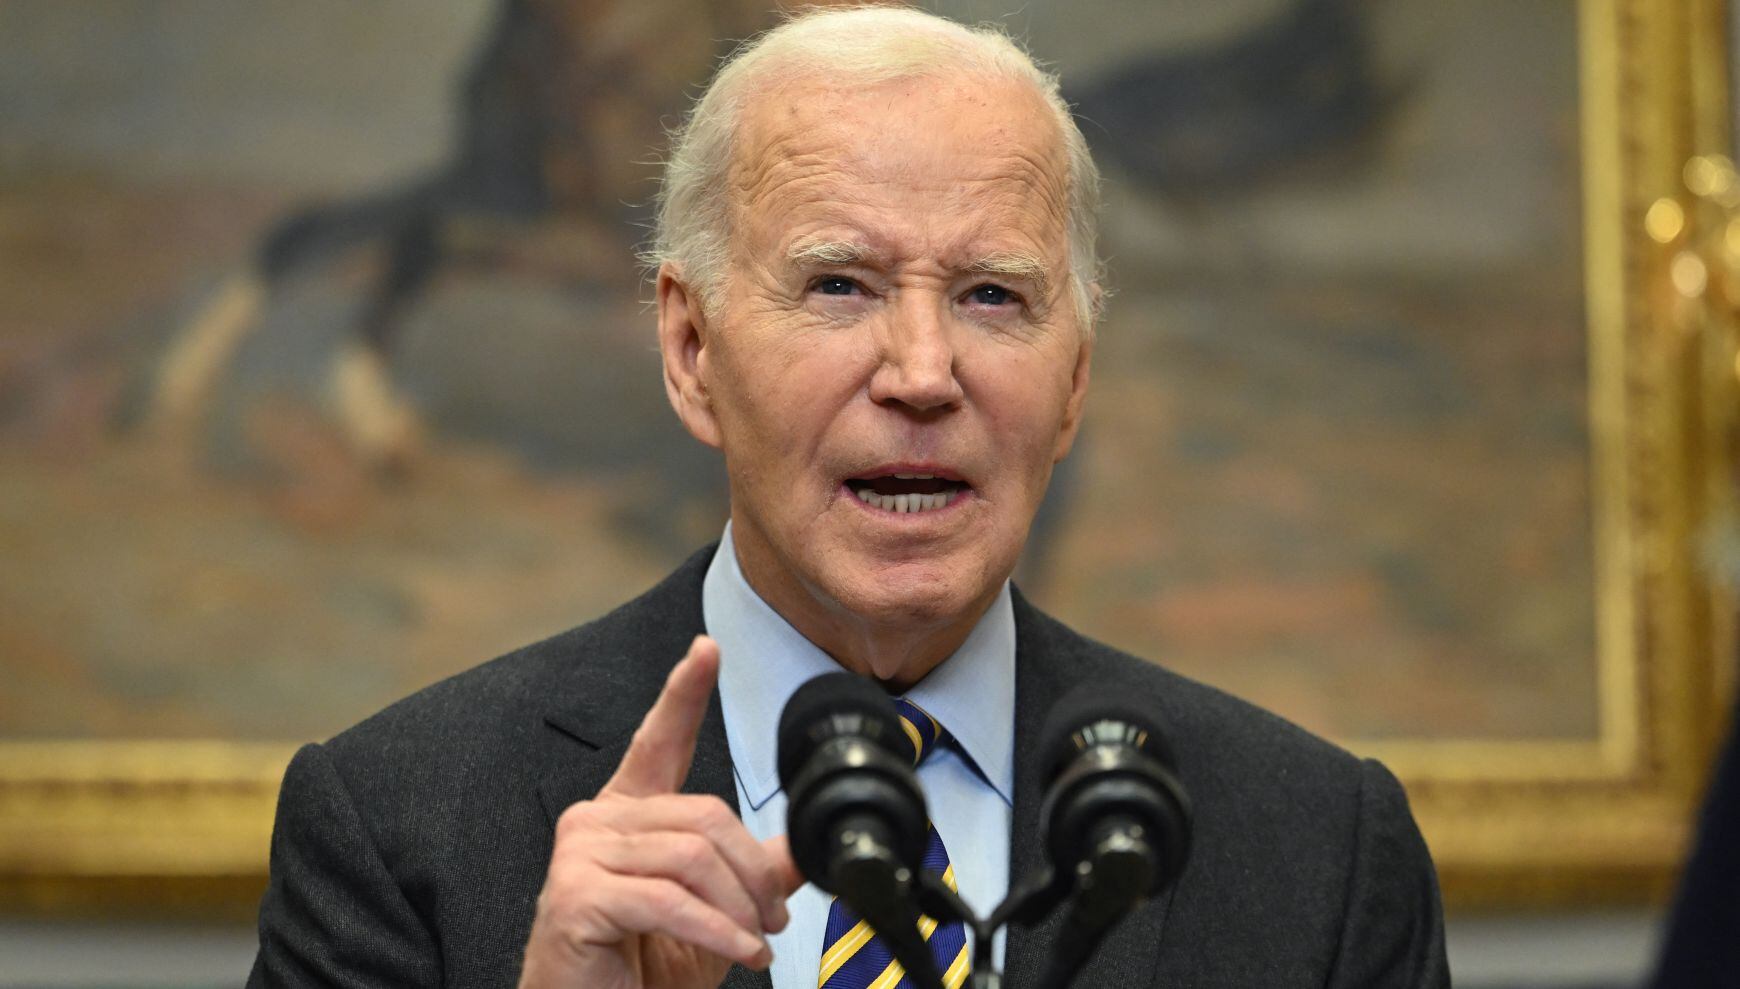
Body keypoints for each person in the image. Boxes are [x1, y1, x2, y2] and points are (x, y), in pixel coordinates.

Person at [247, 7, 1449, 988]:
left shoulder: (1320, 848)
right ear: (690, 350)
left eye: (992, 295)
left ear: (1075, 379)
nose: (924, 373)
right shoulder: (396, 826)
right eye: (838, 284)